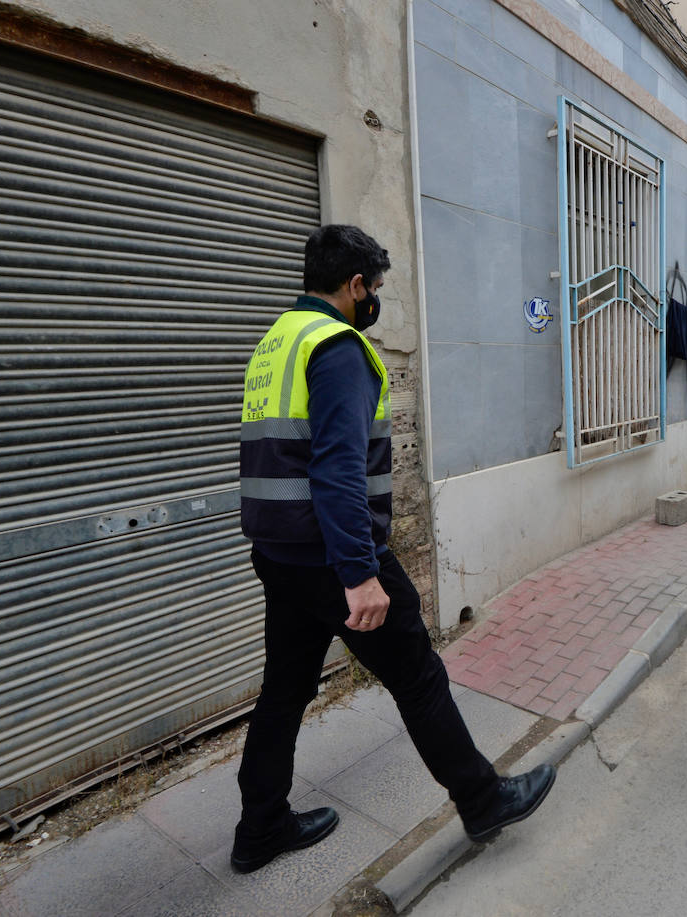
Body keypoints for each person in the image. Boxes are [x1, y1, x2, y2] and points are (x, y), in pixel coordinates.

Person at [232, 224, 555, 873]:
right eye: (374, 288)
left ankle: (259, 826)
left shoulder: (276, 340)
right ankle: (483, 798)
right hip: (333, 557)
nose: (374, 300)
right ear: (355, 286)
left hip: (279, 553)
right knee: (417, 673)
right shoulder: (338, 347)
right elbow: (336, 469)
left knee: (285, 690)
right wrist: (359, 573)